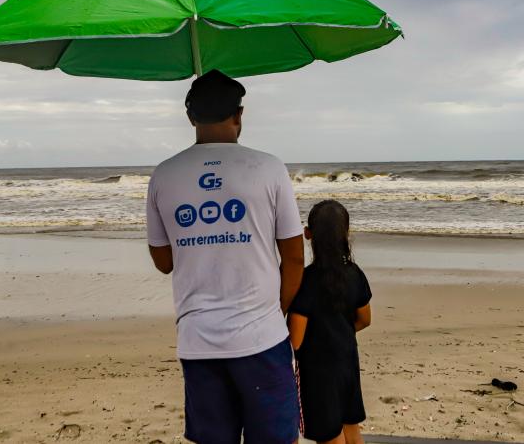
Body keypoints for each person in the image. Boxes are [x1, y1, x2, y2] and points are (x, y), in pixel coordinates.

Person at [146, 70, 305, 444]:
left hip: (198, 341)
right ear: (239, 115)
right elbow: (295, 258)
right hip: (262, 338)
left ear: (190, 117)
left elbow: (164, 262)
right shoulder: (269, 168)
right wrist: (275, 310)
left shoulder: (164, 175)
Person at [288, 200, 373, 444]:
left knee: (329, 436)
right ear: (346, 233)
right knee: (351, 428)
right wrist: (339, 333)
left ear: (308, 234)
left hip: (318, 372)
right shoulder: (355, 273)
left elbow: (296, 340)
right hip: (347, 361)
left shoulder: (306, 281)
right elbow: (364, 319)